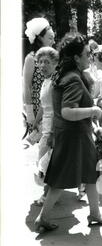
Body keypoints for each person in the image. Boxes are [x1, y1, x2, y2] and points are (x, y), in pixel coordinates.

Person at [34, 32, 102, 233]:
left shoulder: (65, 75)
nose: (89, 57)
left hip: (73, 135)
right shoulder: (74, 79)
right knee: (61, 179)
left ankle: (94, 213)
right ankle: (43, 217)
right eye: (86, 54)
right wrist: (93, 111)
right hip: (74, 136)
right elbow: (67, 111)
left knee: (89, 174)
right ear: (76, 58)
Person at [32, 46, 59, 206]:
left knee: (47, 162)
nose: (43, 65)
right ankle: (48, 194)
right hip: (45, 126)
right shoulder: (46, 80)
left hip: (53, 128)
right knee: (45, 161)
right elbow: (43, 105)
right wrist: (36, 121)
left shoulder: (55, 81)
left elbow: (56, 108)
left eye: (47, 62)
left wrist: (53, 133)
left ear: (55, 63)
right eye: (40, 62)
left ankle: (47, 195)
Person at [23, 17, 55, 141]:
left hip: (51, 106)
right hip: (38, 107)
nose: (53, 41)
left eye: (53, 38)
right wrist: (29, 111)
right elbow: (27, 85)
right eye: (50, 38)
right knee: (40, 143)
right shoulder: (31, 58)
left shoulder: (53, 56)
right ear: (40, 38)